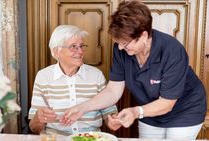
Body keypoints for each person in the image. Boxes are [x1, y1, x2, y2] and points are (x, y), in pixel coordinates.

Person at [62, 0, 207, 140]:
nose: (120, 47)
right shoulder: (121, 50)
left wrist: (136, 111)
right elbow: (113, 90)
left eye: (124, 43)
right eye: (117, 42)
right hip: (148, 112)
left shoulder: (172, 50)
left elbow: (167, 103)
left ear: (143, 36)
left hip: (185, 110)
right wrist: (82, 108)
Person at [28, 25, 118, 135]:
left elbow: (109, 112)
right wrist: (38, 118)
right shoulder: (43, 77)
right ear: (57, 51)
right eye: (73, 47)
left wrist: (114, 120)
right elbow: (34, 127)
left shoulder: (96, 75)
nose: (80, 51)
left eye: (81, 46)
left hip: (90, 138)